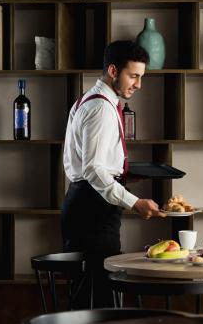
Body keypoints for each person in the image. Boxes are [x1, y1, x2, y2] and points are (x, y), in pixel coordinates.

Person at [61, 40, 166, 307]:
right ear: (112, 70)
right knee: (96, 298)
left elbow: (88, 163)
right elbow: (93, 169)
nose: (138, 84)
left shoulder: (92, 100)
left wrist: (124, 176)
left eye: (141, 77)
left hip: (88, 202)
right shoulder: (100, 109)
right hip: (92, 210)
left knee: (93, 293)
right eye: (133, 76)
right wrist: (135, 202)